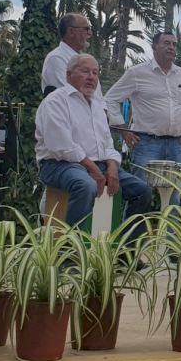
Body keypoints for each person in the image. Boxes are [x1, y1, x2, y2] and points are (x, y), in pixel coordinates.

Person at [36, 53, 152, 229]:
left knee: (142, 191)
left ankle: (127, 244)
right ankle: (69, 244)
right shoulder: (55, 101)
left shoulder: (98, 105)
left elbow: (107, 145)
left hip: (98, 164)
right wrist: (93, 169)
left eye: (95, 73)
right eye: (85, 71)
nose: (91, 77)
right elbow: (61, 146)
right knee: (86, 186)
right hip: (59, 165)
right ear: (68, 75)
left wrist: (112, 167)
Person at [105, 31, 181, 201]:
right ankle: (136, 221)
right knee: (141, 194)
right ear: (154, 47)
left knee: (174, 198)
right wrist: (123, 131)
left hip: (176, 145)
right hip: (146, 143)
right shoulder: (137, 73)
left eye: (174, 44)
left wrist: (180, 128)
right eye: (166, 43)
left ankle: (170, 222)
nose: (171, 47)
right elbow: (110, 99)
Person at [41, 13, 101, 98]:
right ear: (71, 32)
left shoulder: (84, 60)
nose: (89, 34)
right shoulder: (56, 59)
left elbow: (98, 98)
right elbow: (69, 96)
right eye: (86, 29)